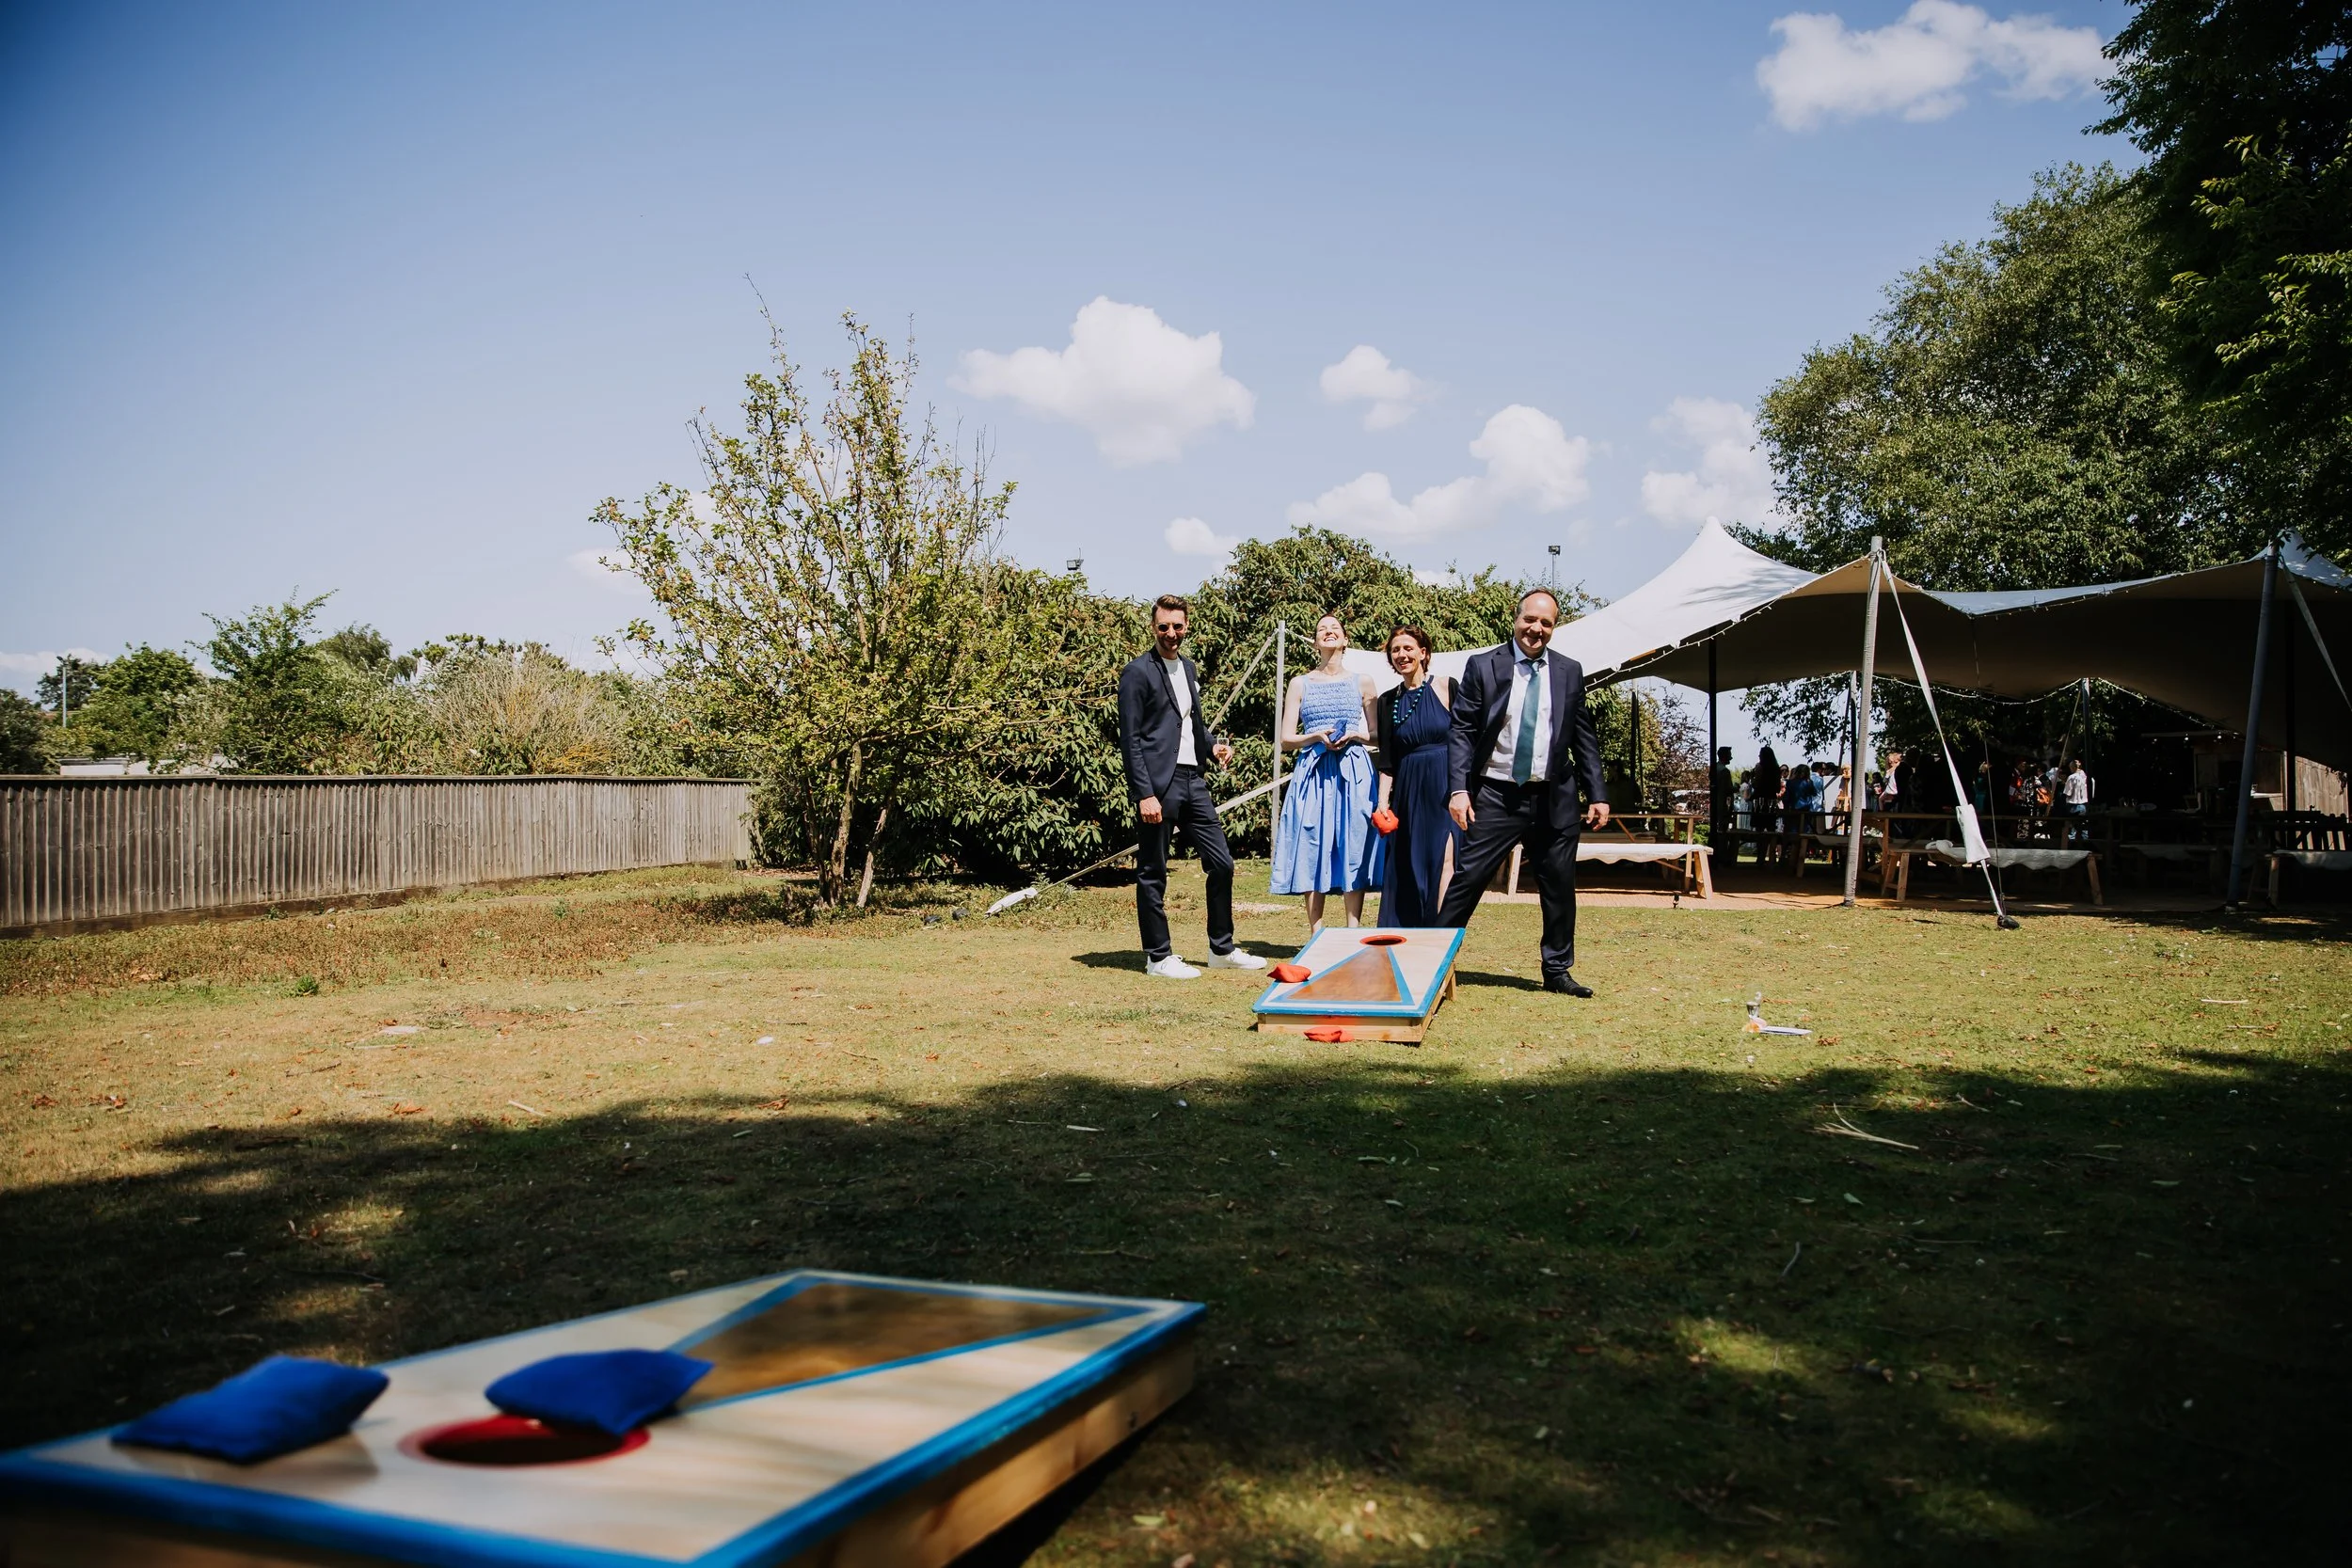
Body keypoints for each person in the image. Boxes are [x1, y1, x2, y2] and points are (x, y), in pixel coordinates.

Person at [1435, 589, 1610, 996]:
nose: (1536, 629)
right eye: (1530, 619)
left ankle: (1557, 971)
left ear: (1554, 628)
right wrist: (1459, 790)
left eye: (1546, 623)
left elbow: (1583, 735)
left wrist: (1596, 793)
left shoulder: (1569, 670)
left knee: (1559, 886)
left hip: (1555, 796)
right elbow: (1461, 730)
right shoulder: (1483, 666)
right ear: (1516, 619)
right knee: (1469, 879)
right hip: (1497, 793)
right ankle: (1432, 961)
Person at [1117, 594, 1266, 979]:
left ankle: (1222, 948)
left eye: (1178, 626)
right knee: (1153, 871)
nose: (1171, 633)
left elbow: (1191, 723)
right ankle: (1158, 957)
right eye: (1164, 626)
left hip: (1192, 779)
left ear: (1187, 626)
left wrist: (1212, 744)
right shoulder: (1137, 672)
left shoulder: (1188, 668)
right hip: (1158, 785)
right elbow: (1131, 739)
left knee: (1222, 863)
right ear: (1153, 627)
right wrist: (1143, 793)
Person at [1270, 614, 1383, 934]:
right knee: (1310, 842)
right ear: (1316, 641)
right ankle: (1315, 932)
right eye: (1322, 629)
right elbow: (1286, 739)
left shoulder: (1363, 681)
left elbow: (1376, 735)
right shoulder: (1299, 683)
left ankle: (1352, 930)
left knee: (1353, 840)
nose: (1329, 632)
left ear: (1345, 640)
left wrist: (1356, 736)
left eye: (1335, 629)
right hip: (1313, 773)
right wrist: (1315, 736)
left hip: (1354, 771)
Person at [1374, 625, 1460, 927]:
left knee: (1446, 859)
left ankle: (1444, 936)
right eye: (1395, 650)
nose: (1402, 655)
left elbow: (1467, 741)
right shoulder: (1386, 702)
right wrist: (1383, 802)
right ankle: (1410, 936)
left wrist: (1464, 790)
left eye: (1408, 648)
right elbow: (1387, 760)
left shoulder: (1447, 687)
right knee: (1409, 865)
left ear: (1423, 653)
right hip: (1408, 790)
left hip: (1445, 786)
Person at [1751, 746, 1784, 834]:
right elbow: (1777, 788)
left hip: (1760, 799)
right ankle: (1771, 847)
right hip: (1771, 799)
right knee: (1771, 827)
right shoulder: (1776, 769)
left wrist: (1752, 780)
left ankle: (1760, 846)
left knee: (1759, 827)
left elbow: (1757, 784)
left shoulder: (1759, 767)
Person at [2059, 757, 2090, 842]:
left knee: (2073, 826)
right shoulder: (2086, 777)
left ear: (2073, 767)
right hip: (2084, 804)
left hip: (2073, 804)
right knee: (2083, 825)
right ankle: (2085, 842)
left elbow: (2068, 792)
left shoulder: (2072, 777)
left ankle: (2072, 843)